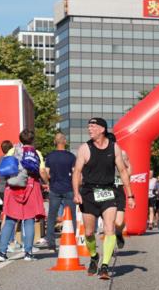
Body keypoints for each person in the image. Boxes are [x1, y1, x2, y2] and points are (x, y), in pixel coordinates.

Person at [72, 117, 135, 280]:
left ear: (102, 129)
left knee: (109, 228)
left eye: (92, 126)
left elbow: (122, 171)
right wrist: (76, 193)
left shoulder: (114, 148)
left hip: (108, 192)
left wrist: (130, 195)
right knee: (89, 232)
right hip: (88, 193)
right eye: (89, 126)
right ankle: (94, 256)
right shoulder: (85, 148)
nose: (89, 129)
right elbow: (77, 172)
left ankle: (105, 266)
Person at [0, 130, 49, 262]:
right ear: (32, 140)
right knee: (29, 220)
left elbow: (4, 168)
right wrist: (47, 182)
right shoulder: (36, 153)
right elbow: (42, 171)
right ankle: (28, 253)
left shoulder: (12, 151)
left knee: (10, 220)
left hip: (13, 187)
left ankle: (2, 253)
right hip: (31, 187)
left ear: (20, 139)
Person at [44, 132, 77, 250]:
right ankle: (72, 239)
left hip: (54, 189)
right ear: (65, 142)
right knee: (71, 216)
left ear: (54, 142)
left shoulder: (50, 156)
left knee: (52, 215)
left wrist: (48, 182)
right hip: (69, 188)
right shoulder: (71, 156)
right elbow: (75, 173)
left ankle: (51, 243)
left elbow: (45, 172)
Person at [108, 131, 132, 249]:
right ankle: (109, 245)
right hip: (106, 190)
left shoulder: (122, 153)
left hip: (119, 189)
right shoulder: (99, 154)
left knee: (118, 222)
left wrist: (127, 164)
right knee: (108, 222)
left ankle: (118, 233)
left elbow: (129, 172)